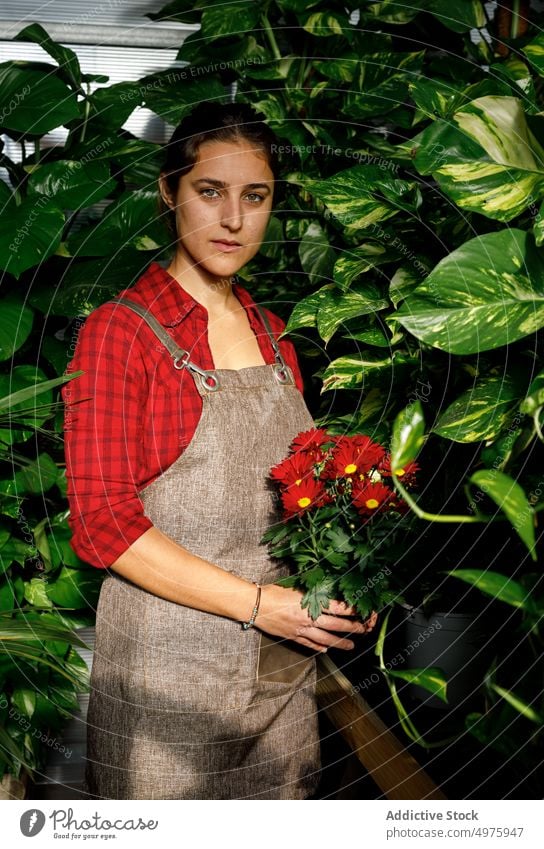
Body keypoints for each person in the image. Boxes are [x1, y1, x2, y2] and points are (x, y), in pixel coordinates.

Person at [62, 100, 378, 801]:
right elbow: (104, 524)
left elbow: (306, 500)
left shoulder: (276, 338)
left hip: (277, 687)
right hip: (163, 691)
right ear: (169, 191)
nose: (234, 220)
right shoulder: (123, 333)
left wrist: (349, 582)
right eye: (211, 192)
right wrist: (258, 602)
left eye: (255, 197)